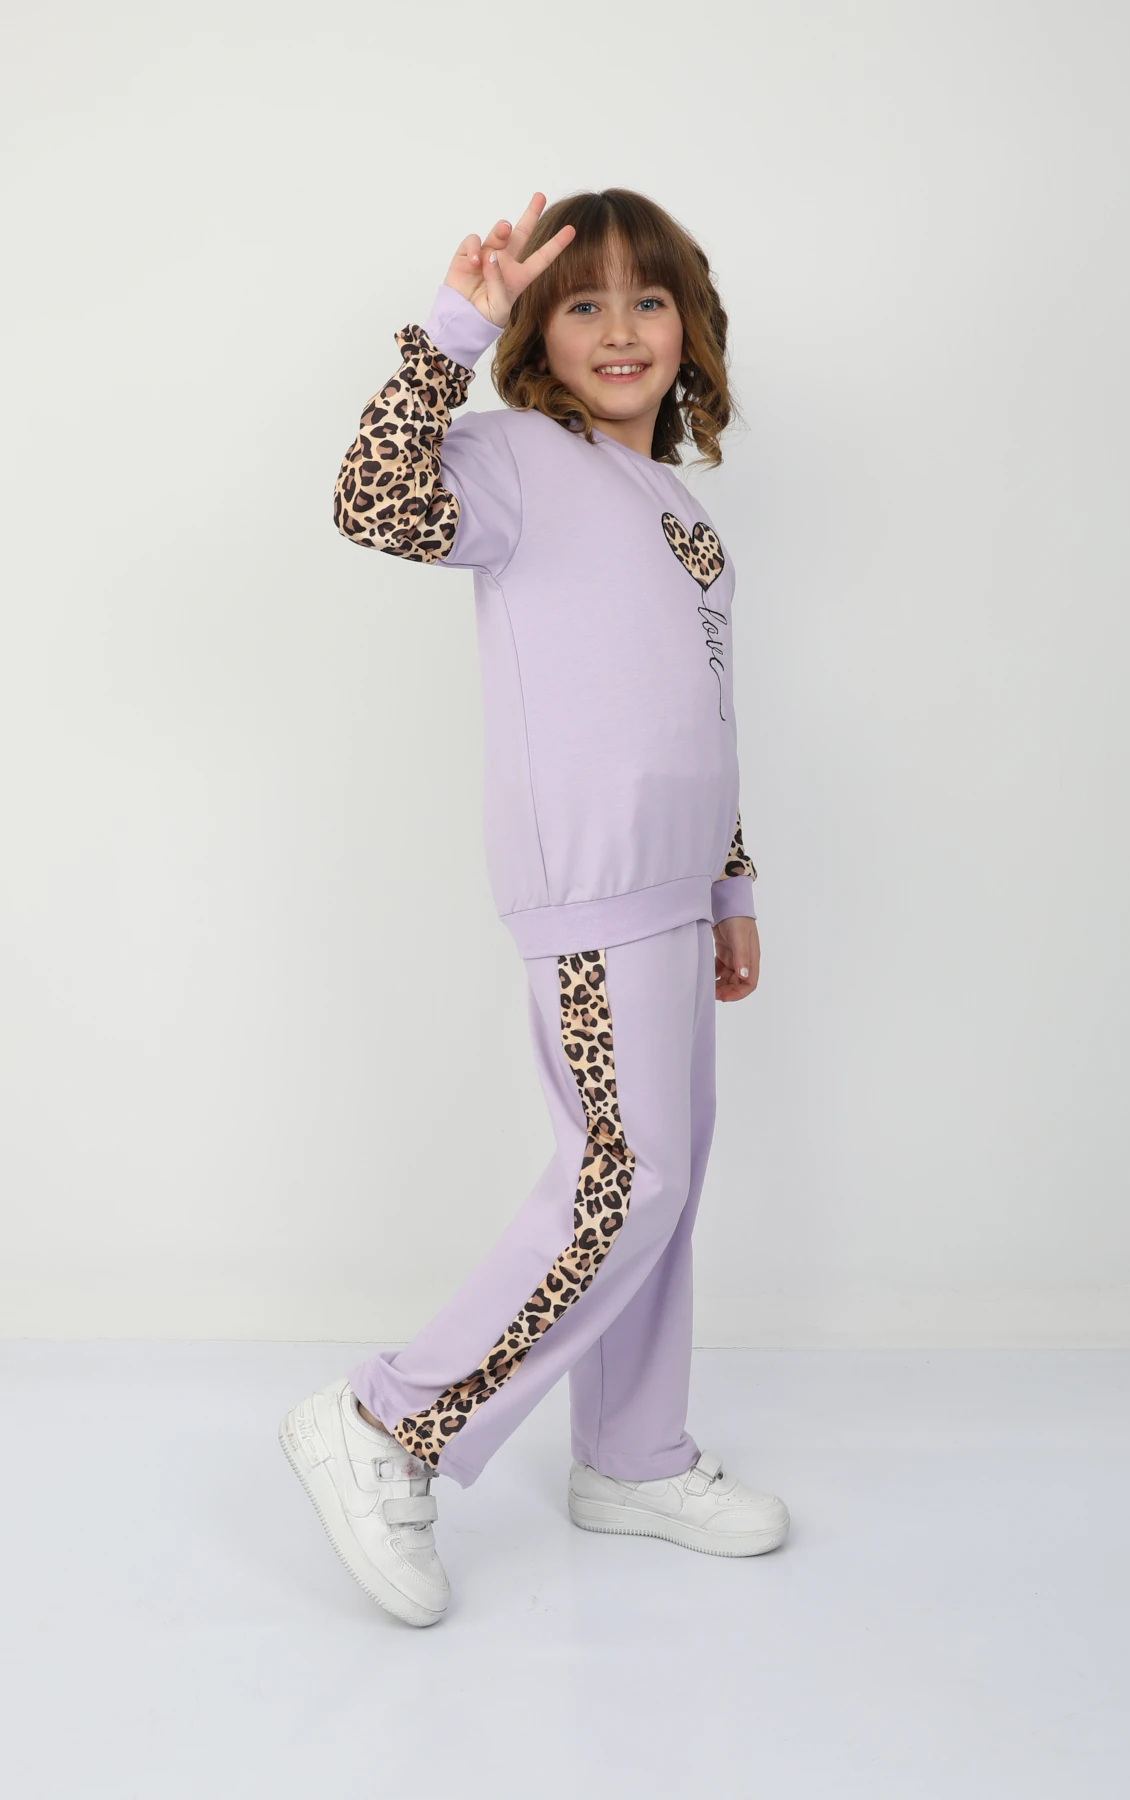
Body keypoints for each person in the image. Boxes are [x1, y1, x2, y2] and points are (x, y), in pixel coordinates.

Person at [279, 187, 789, 1628]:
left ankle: (632, 1455)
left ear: (690, 327)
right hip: (591, 882)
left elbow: (707, 711)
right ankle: (385, 1422)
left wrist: (732, 884)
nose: (620, 330)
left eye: (647, 300)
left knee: (668, 1188)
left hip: (676, 889)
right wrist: (449, 329)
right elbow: (372, 500)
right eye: (582, 304)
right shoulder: (512, 459)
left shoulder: (683, 511)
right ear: (536, 337)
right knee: (624, 1179)